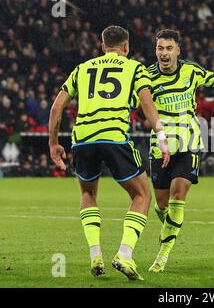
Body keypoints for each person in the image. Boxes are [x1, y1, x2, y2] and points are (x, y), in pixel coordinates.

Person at [48, 25, 170, 281]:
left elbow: (57, 106)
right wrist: (161, 136)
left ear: (103, 46)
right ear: (126, 47)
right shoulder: (134, 67)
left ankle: (95, 254)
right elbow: (147, 103)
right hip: (114, 137)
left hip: (83, 140)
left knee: (88, 193)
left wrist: (53, 143)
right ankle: (124, 254)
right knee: (142, 195)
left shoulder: (82, 68)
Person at [146, 29, 214, 273]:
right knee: (162, 205)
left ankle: (162, 255)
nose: (164, 53)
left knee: (178, 195)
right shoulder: (146, 77)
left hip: (189, 143)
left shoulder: (192, 71)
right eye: (160, 48)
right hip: (161, 146)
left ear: (178, 50)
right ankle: (169, 228)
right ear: (156, 51)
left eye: (168, 48)